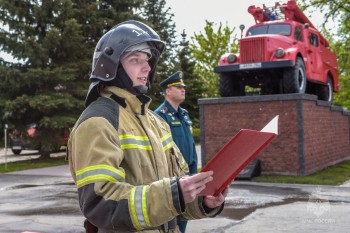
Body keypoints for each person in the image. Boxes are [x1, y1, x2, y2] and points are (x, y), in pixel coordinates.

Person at [67, 20, 227, 233]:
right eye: (135, 60)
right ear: (111, 66)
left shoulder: (156, 122)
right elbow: (100, 205)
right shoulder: (98, 122)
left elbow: (174, 199)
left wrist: (202, 201)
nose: (147, 67)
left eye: (147, 60)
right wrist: (173, 194)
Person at [155, 71, 198, 233]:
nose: (183, 89)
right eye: (178, 87)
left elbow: (191, 146)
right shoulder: (159, 116)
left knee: (184, 217)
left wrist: (194, 173)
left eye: (183, 87)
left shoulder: (184, 115)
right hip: (172, 179)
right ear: (168, 91)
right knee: (171, 223)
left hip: (187, 175)